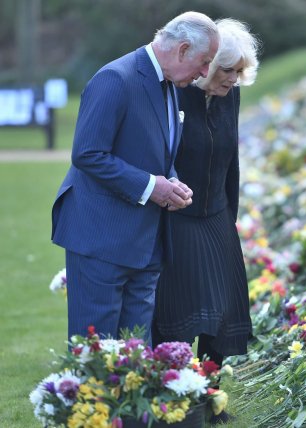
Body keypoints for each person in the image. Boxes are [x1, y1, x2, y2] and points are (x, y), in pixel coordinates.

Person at [51, 11, 220, 344]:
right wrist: (150, 186)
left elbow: (156, 151)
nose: (205, 73)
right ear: (183, 49)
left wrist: (170, 182)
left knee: (136, 358)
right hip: (101, 238)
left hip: (145, 243)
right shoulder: (116, 78)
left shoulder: (170, 83)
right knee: (96, 358)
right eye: (205, 62)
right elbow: (87, 153)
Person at [152, 18, 260, 373]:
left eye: (240, 72)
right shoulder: (175, 91)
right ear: (207, 65)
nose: (233, 79)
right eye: (227, 70)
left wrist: (229, 218)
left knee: (224, 307)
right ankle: (176, 394)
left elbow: (232, 161)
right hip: (177, 216)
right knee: (179, 311)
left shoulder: (231, 96)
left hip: (216, 213)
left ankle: (210, 396)